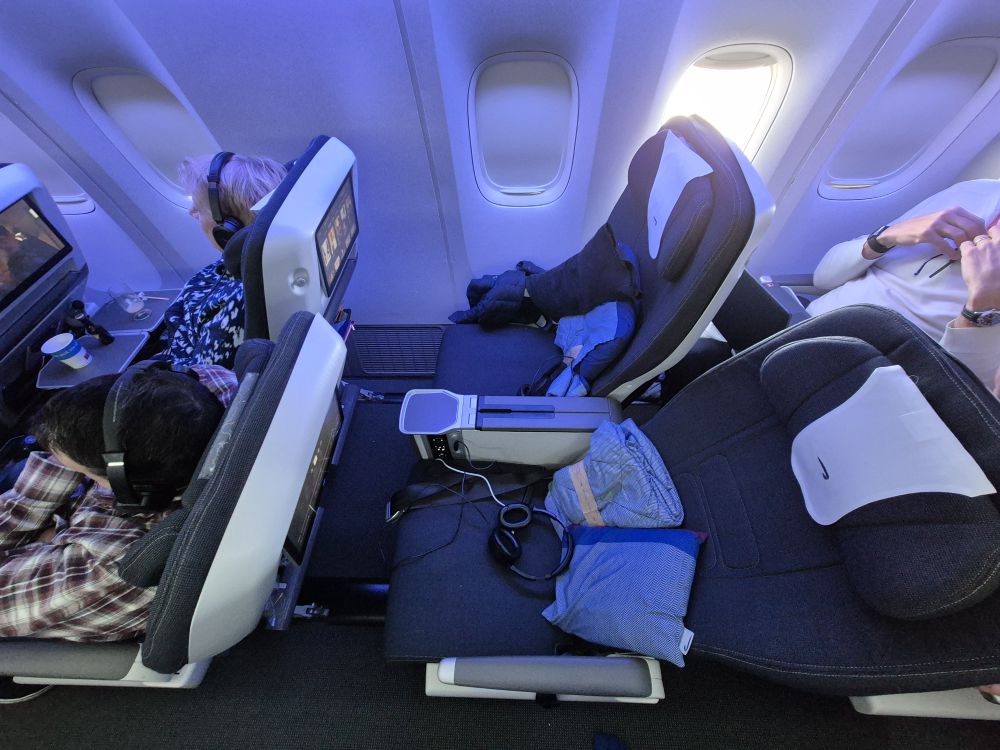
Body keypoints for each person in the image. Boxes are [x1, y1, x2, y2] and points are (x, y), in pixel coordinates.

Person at [0, 364, 237, 702]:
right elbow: (206, 376)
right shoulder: (211, 401)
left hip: (59, 602)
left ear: (126, 484)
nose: (55, 459)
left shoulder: (104, 564)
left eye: (87, 474)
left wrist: (38, 523)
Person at [806, 179, 1000, 390]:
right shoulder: (977, 191)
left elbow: (962, 392)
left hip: (870, 382)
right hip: (805, 324)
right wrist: (885, 238)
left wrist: (983, 306)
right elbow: (823, 279)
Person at [161, 153, 287, 368]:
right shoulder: (245, 258)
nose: (191, 212)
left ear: (229, 227)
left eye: (199, 208)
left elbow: (200, 377)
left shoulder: (241, 301)